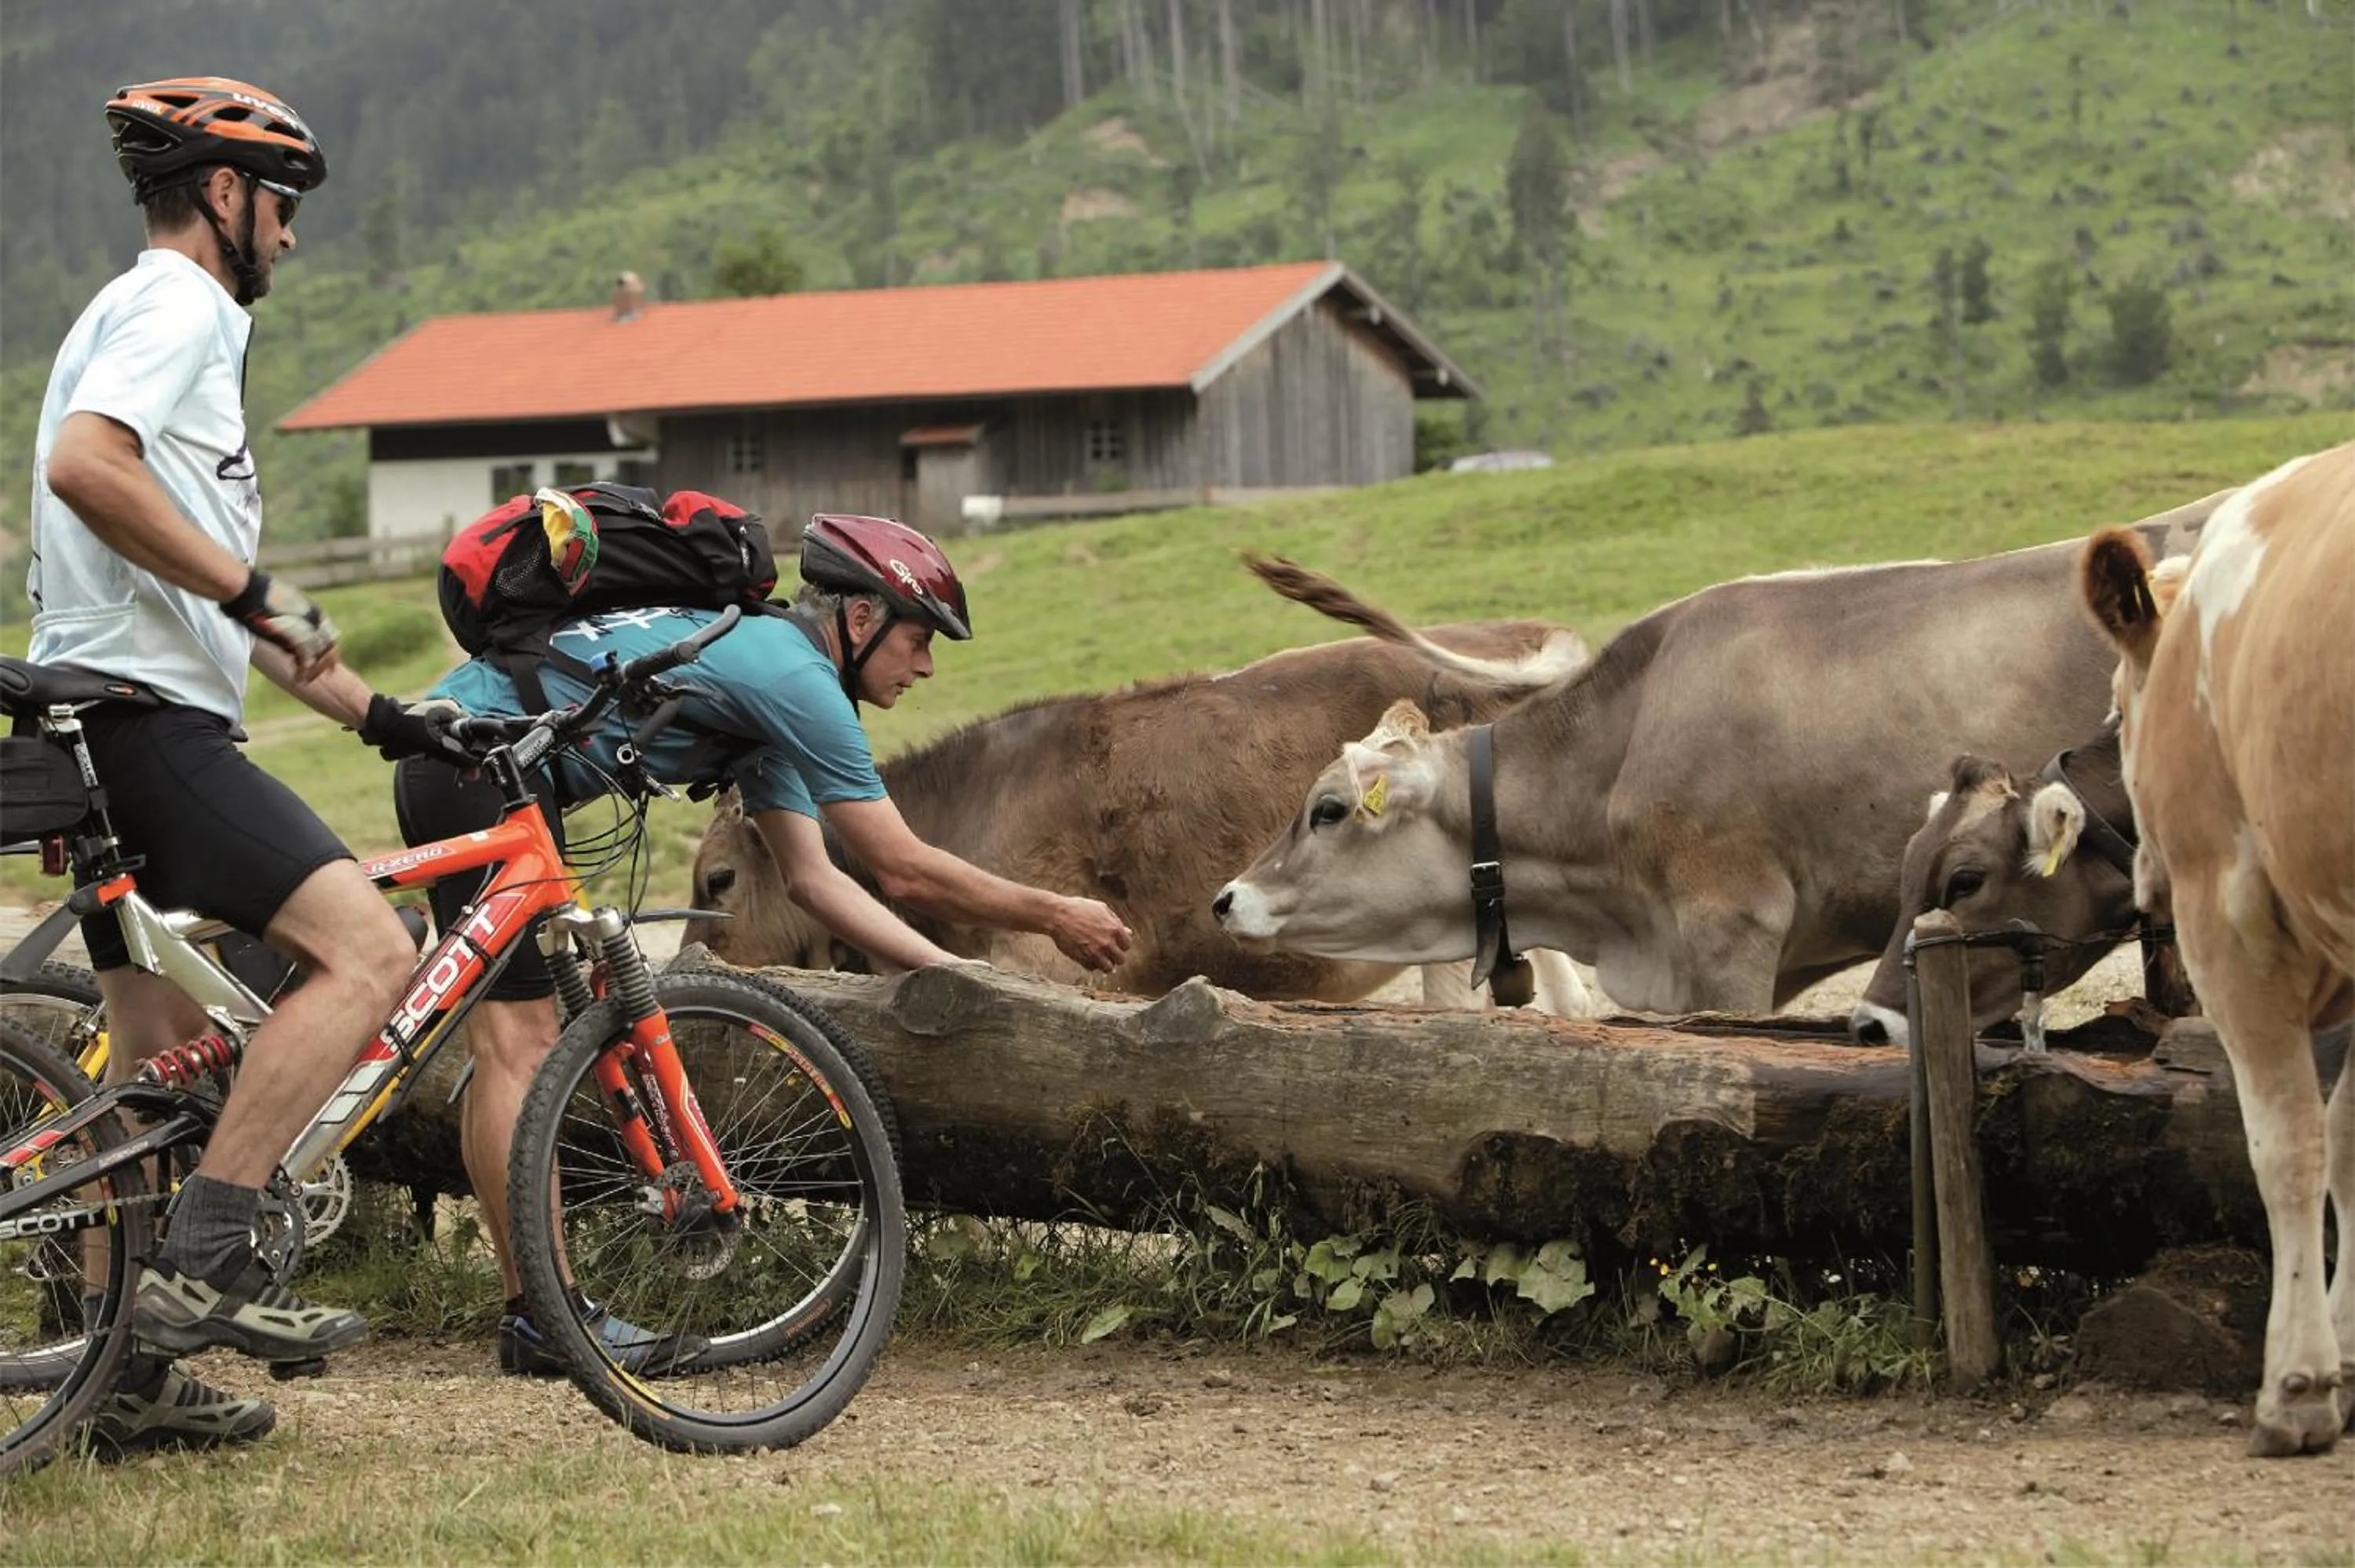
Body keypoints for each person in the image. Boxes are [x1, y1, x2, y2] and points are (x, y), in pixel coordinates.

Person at [393, 505, 1134, 1373]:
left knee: (517, 1036)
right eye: (920, 639)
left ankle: (540, 1316)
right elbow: (901, 867)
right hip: (473, 758)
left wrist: (955, 976)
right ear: (860, 619)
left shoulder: (764, 687)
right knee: (518, 1043)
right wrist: (1053, 913)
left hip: (487, 759)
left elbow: (815, 881)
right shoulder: (792, 675)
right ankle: (543, 1320)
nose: (927, 666)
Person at [27, 77, 466, 1454]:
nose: (290, 238)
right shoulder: (180, 310)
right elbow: (84, 467)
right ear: (224, 195)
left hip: (105, 717)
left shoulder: (129, 313)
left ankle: (122, 1388)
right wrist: (256, 593)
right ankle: (211, 1256)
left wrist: (377, 711)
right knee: (370, 951)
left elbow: (228, 594)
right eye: (282, 208)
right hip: (147, 722)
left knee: (147, 1084)